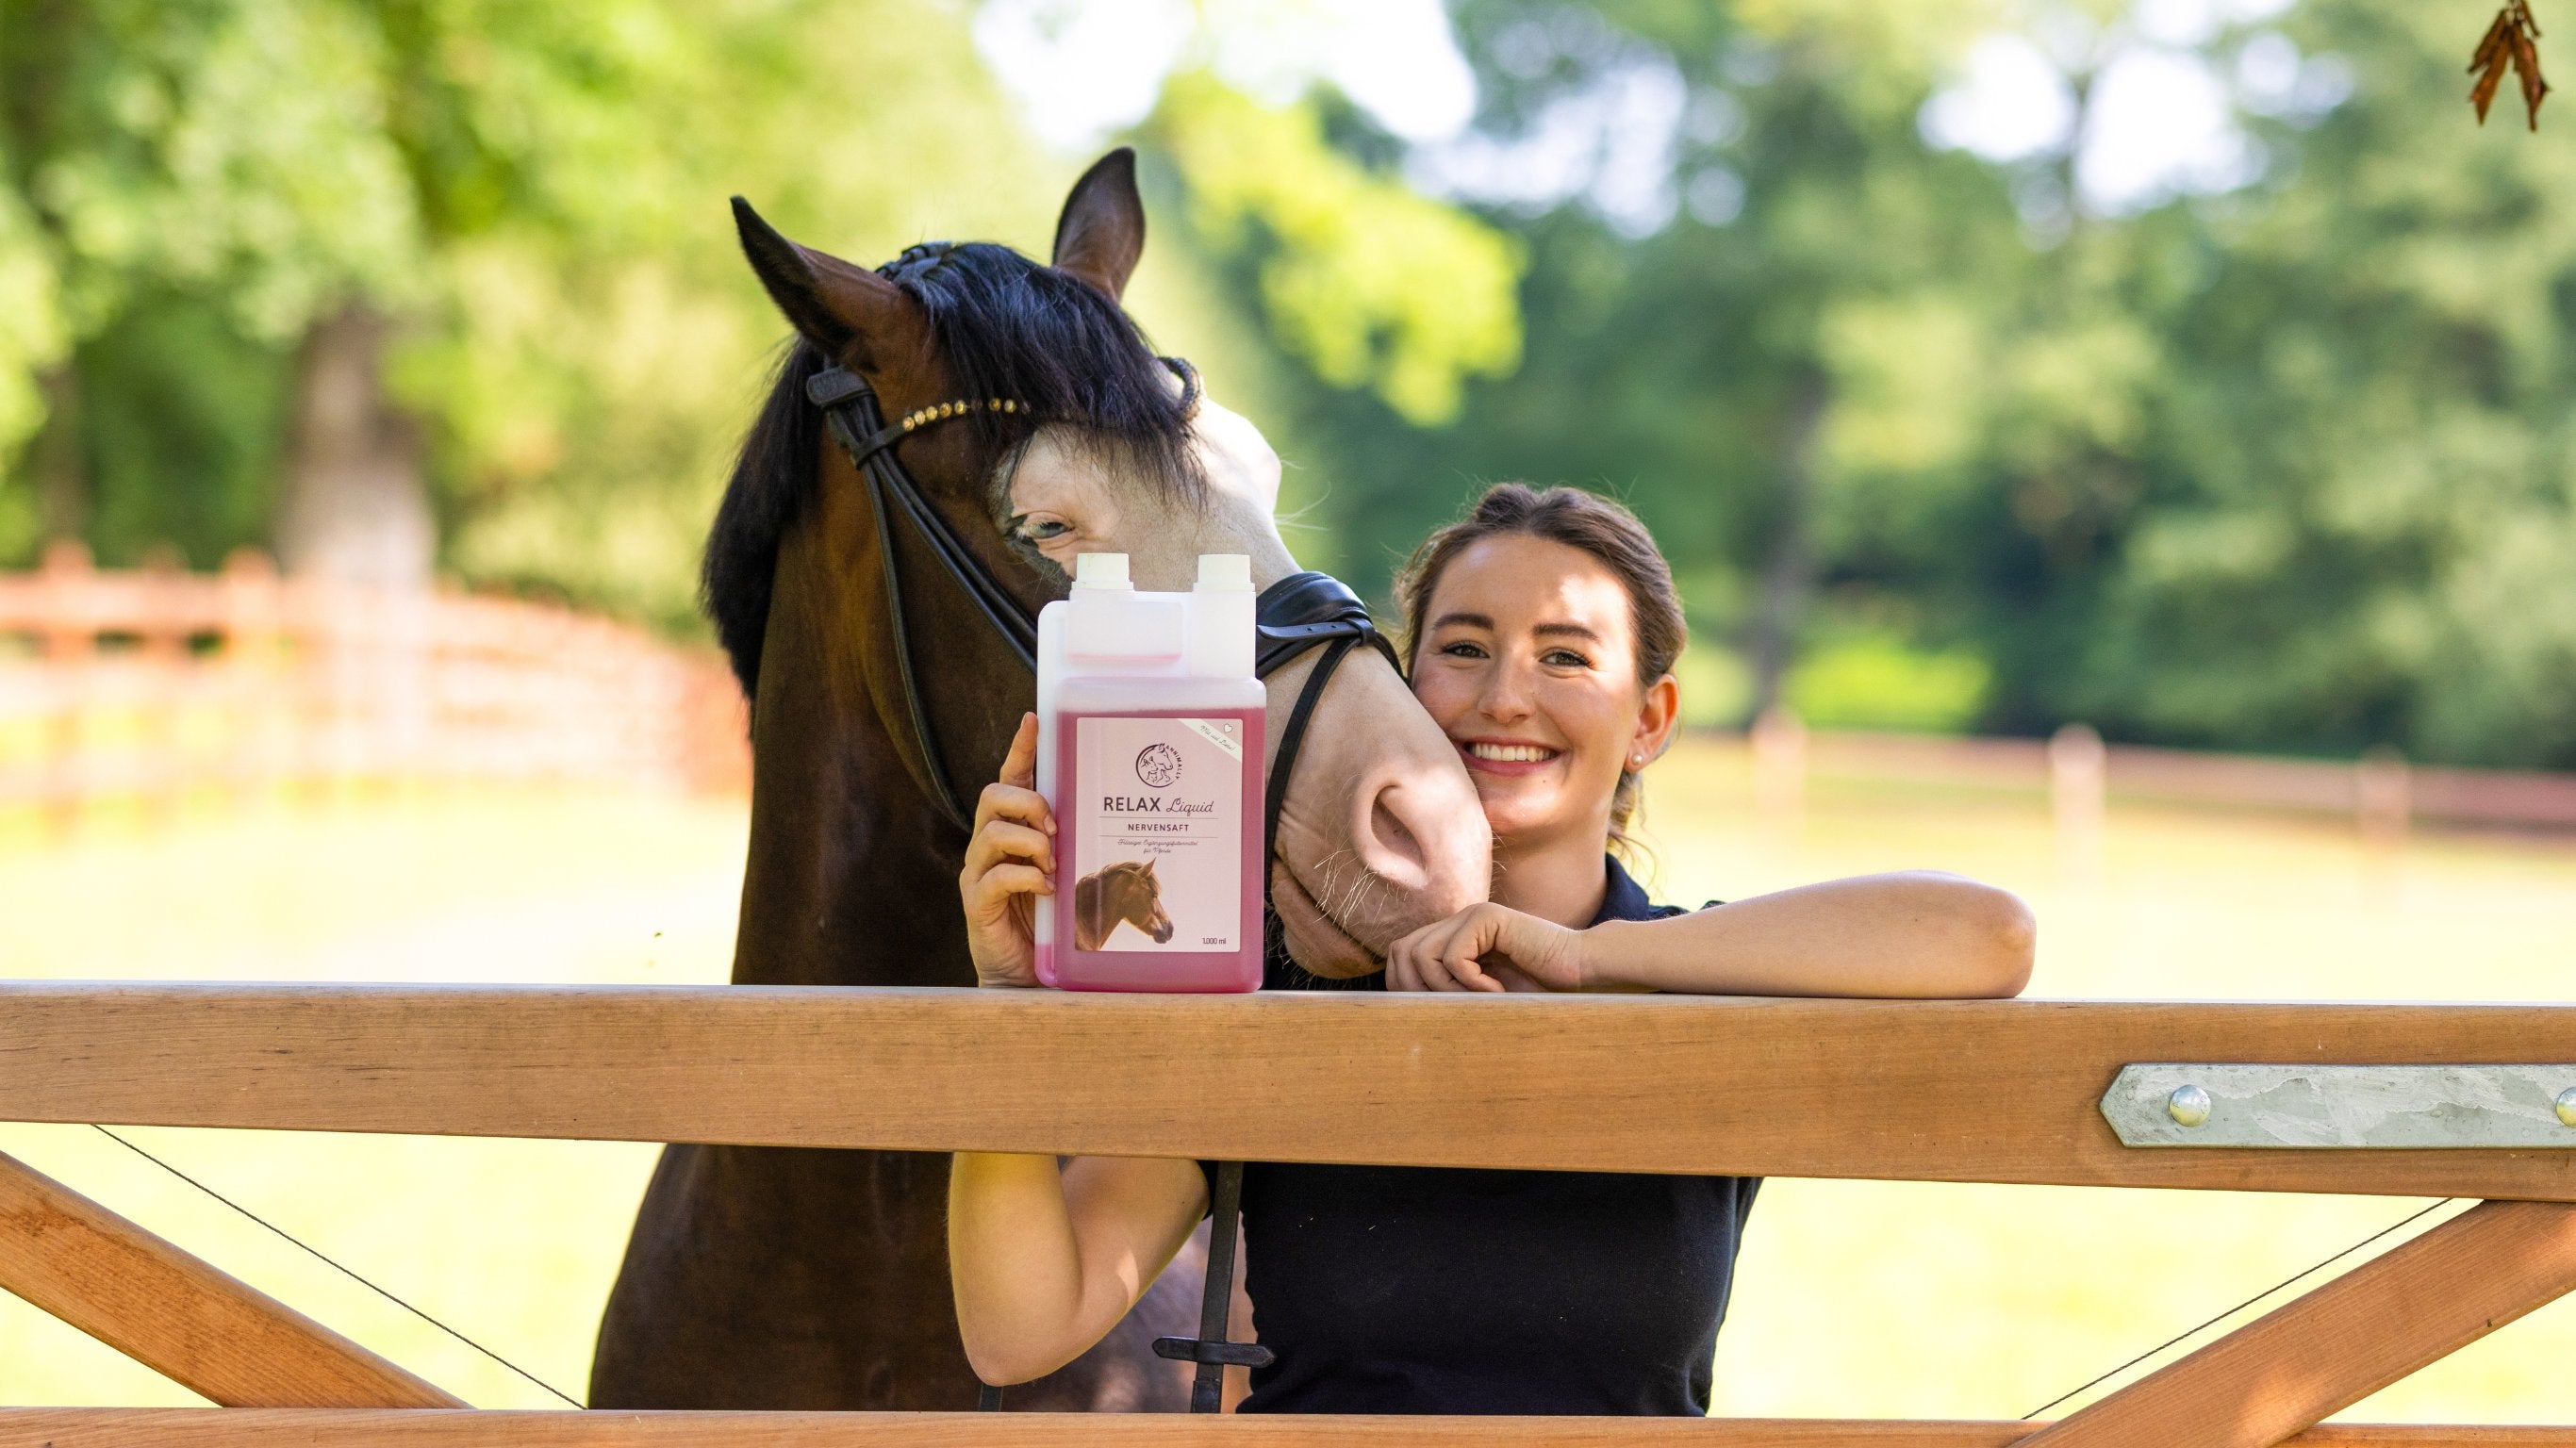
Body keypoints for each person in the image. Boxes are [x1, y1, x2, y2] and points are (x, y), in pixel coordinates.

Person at [949, 482, 2035, 1414]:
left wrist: (1590, 962)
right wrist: (1002, 1000)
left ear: (1650, 719)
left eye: (1563, 656)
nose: (1503, 695)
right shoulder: (1276, 993)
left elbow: (1986, 936)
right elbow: (1018, 1328)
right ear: (1403, 687)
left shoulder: (1703, 975)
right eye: (1461, 648)